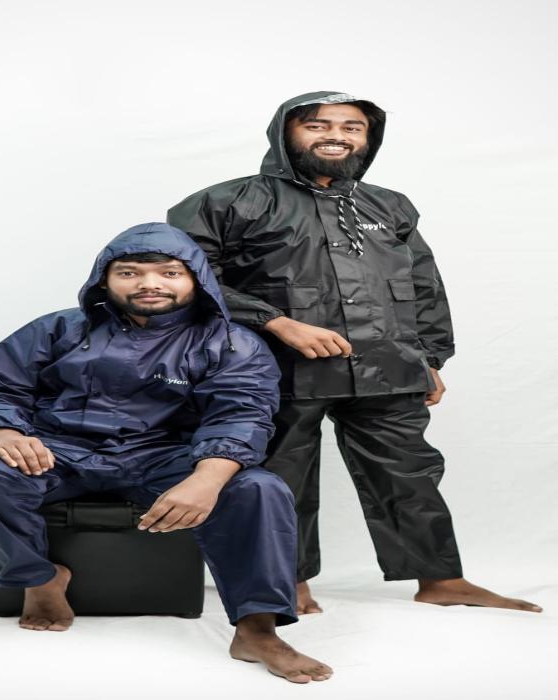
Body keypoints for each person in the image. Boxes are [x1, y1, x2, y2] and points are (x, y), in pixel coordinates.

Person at [168, 91, 542, 615]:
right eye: (318, 125)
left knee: (410, 473)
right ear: (285, 133)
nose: (336, 136)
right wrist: (276, 322)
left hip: (386, 366)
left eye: (352, 127)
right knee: (281, 477)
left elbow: (423, 284)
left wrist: (429, 358)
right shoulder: (228, 201)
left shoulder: (389, 205)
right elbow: (183, 278)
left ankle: (441, 579)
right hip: (275, 370)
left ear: (368, 138)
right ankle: (287, 582)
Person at [0, 222, 333, 684]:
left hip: (167, 457)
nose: (149, 283)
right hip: (59, 452)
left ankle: (257, 629)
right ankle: (38, 578)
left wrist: (206, 479)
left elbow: (241, 415)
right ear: (103, 280)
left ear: (196, 279)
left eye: (169, 273)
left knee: (260, 488)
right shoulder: (57, 328)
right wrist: (1, 430)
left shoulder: (232, 342)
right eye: (129, 273)